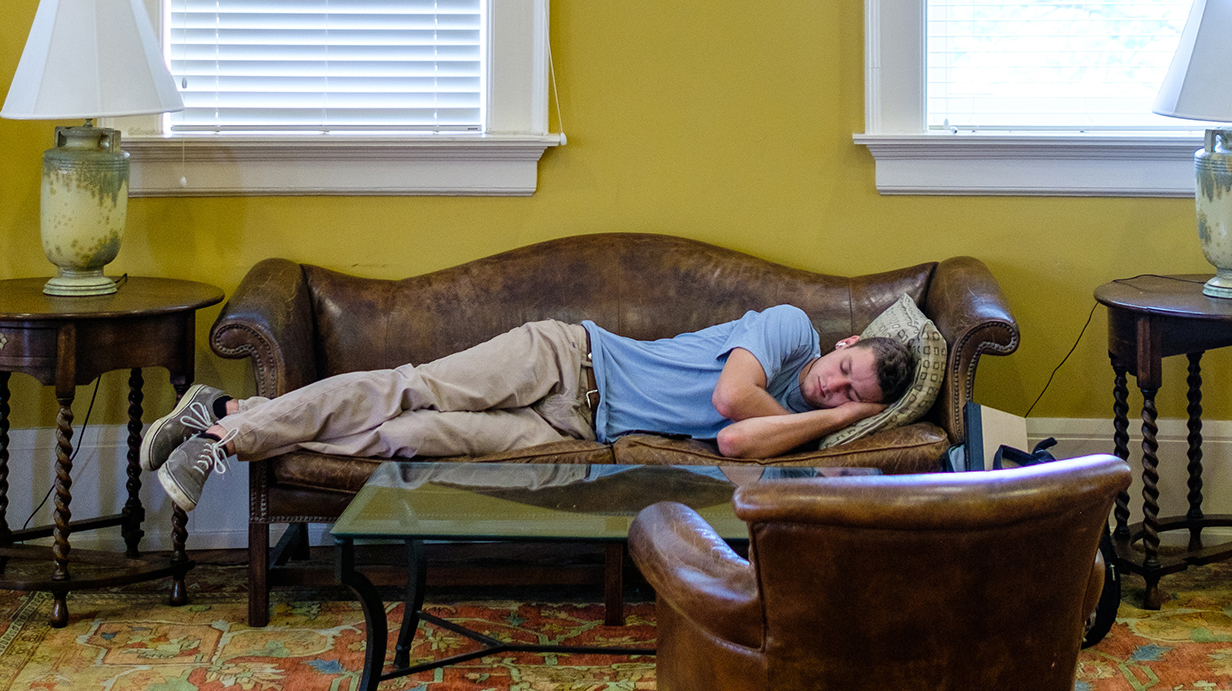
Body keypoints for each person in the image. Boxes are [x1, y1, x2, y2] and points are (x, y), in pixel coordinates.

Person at [140, 305, 915, 512]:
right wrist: (827, 418)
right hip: (564, 357)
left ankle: (221, 408)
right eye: (845, 370)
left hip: (565, 428)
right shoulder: (789, 330)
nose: (833, 387)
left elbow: (740, 443)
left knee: (404, 434)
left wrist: (833, 425)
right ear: (844, 340)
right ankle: (224, 437)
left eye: (852, 398)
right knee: (408, 385)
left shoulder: (805, 422)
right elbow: (727, 403)